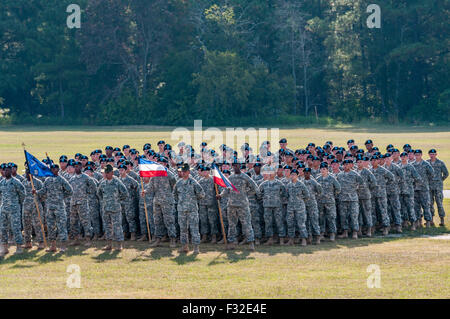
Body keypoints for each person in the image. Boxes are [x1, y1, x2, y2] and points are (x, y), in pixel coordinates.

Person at [217, 160, 258, 250]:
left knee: (246, 224)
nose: (236, 167)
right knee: (232, 225)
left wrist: (245, 194)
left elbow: (254, 188)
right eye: (234, 165)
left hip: (243, 205)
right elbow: (227, 190)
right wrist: (221, 195)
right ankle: (232, 243)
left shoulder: (245, 177)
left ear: (240, 166)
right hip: (231, 205)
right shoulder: (230, 178)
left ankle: (251, 243)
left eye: (237, 165)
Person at [35, 164, 73, 252]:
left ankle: (63, 246)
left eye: (55, 169)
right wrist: (36, 192)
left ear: (58, 170)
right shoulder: (47, 180)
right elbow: (43, 191)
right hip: (49, 207)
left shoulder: (61, 180)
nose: (54, 170)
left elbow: (70, 191)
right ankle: (53, 246)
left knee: (61, 226)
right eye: (52, 169)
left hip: (59, 207)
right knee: (50, 226)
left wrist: (61, 197)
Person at [173, 163, 205, 253]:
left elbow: (202, 194)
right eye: (182, 171)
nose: (183, 173)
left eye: (185, 171)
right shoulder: (178, 183)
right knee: (183, 229)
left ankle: (196, 248)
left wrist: (193, 200)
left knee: (194, 228)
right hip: (181, 209)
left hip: (192, 209)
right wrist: (180, 202)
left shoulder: (193, 182)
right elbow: (174, 194)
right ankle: (184, 246)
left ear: (188, 172)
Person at [97, 164, 128, 251]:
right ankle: (109, 245)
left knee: (117, 226)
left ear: (112, 173)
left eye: (107, 173)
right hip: (106, 208)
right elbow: (99, 193)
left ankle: (119, 245)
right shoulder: (103, 183)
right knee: (107, 227)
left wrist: (117, 200)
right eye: (105, 173)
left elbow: (125, 193)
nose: (106, 174)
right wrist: (105, 201)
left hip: (115, 208)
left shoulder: (117, 182)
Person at [68, 161, 97, 246]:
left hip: (83, 203)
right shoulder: (72, 178)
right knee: (73, 222)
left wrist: (88, 193)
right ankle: (76, 239)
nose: (76, 168)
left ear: (81, 167)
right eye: (75, 167)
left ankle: (88, 239)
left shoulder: (86, 177)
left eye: (78, 167)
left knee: (86, 221)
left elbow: (94, 186)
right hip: (73, 203)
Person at [0, 165, 25, 257]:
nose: (6, 172)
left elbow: (23, 194)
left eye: (8, 171)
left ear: (11, 172)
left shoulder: (16, 182)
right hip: (3, 210)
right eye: (4, 170)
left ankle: (19, 247)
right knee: (3, 229)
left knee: (16, 228)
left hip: (14, 210)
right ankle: (4, 247)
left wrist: (17, 204)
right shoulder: (2, 182)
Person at [259, 165, 287, 245]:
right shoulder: (263, 184)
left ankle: (281, 238)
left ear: (275, 173)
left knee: (279, 222)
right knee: (268, 223)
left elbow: (284, 193)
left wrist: (279, 200)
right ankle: (270, 239)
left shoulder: (280, 183)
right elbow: (259, 194)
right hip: (267, 206)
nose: (270, 174)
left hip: (277, 206)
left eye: (272, 172)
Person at [316, 162, 341, 241]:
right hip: (320, 202)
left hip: (330, 201)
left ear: (327, 170)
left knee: (331, 218)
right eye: (321, 169)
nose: (322, 170)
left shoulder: (332, 178)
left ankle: (332, 234)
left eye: (324, 169)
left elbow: (338, 188)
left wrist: (333, 195)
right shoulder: (317, 179)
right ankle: (321, 234)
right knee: (321, 218)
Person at [286, 169, 310, 246]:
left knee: (301, 224)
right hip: (290, 207)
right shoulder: (289, 185)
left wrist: (300, 201)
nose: (293, 176)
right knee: (290, 223)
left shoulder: (301, 185)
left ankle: (304, 239)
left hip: (300, 207)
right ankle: (291, 240)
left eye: (294, 175)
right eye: (291, 175)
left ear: (297, 176)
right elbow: (286, 196)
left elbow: (307, 195)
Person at [22, 169, 45, 250]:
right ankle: (28, 242)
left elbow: (43, 194)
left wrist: (37, 193)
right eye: (26, 173)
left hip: (36, 206)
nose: (28, 174)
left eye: (29, 173)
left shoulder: (38, 182)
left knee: (38, 225)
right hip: (26, 207)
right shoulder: (23, 182)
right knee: (26, 225)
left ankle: (41, 242)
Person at [412, 150, 434, 228]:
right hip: (415, 188)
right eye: (416, 155)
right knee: (416, 206)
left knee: (426, 205)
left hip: (424, 188)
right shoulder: (412, 165)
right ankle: (418, 222)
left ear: (421, 155)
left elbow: (432, 174)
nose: (417, 156)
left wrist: (425, 181)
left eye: (419, 154)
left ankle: (428, 222)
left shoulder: (426, 164)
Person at [427, 149, 448, 226]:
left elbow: (446, 173)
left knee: (439, 203)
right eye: (431, 154)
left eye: (434, 154)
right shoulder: (427, 163)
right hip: (429, 187)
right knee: (430, 204)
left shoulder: (440, 163)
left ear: (436, 154)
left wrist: (440, 180)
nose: (432, 155)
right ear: (429, 154)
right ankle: (431, 220)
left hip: (438, 187)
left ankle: (442, 220)